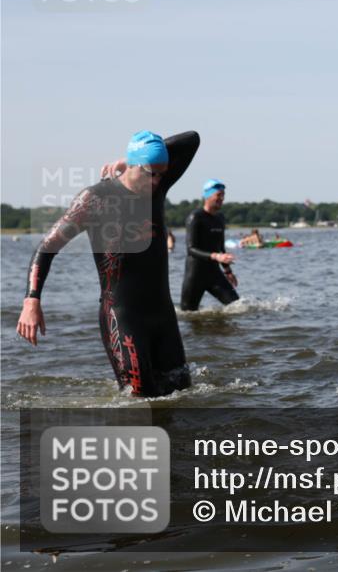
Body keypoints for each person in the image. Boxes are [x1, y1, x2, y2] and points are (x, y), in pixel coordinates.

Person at [16, 131, 200, 397]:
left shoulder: (157, 186)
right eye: (151, 173)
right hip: (124, 318)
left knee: (183, 395)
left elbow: (191, 139)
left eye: (162, 174)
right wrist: (32, 300)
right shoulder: (95, 199)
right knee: (142, 402)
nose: (157, 181)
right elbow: (47, 248)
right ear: (137, 166)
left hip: (163, 315)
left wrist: (129, 160)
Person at [180, 179, 239, 311]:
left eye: (223, 195)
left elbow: (221, 248)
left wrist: (228, 271)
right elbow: (191, 249)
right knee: (188, 314)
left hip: (214, 274)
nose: (222, 198)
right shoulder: (195, 217)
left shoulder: (220, 219)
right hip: (195, 275)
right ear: (208, 196)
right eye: (219, 195)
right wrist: (215, 256)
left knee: (237, 307)